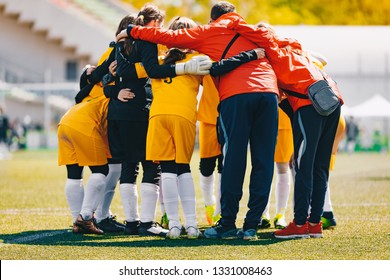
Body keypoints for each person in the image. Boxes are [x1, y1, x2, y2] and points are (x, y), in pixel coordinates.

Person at [117, 1, 280, 240]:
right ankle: (252, 225)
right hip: (269, 92)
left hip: (236, 95)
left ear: (213, 20)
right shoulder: (255, 31)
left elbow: (165, 37)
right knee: (264, 161)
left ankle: (224, 224)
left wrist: (132, 31)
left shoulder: (210, 32)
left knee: (233, 158)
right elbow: (281, 49)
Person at [221, 17, 344, 238]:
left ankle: (299, 224)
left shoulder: (272, 51)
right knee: (319, 167)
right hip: (332, 101)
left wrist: (231, 23)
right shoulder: (295, 47)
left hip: (310, 107)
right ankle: (314, 223)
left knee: (303, 167)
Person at [58, 14, 137, 234]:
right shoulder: (121, 52)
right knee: (102, 171)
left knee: (74, 174)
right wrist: (111, 85)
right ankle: (87, 217)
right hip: (87, 119)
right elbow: (102, 78)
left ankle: (79, 220)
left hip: (68, 118)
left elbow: (92, 78)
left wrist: (92, 75)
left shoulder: (109, 52)